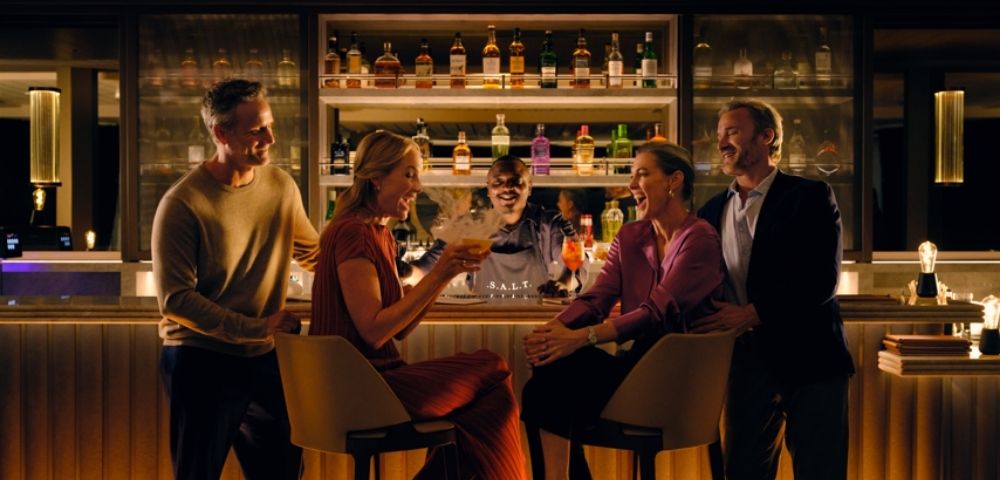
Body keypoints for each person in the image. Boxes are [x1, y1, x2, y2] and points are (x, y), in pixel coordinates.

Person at [309, 130, 526, 480]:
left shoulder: (381, 236)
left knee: (488, 407)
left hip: (373, 382)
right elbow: (375, 331)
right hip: (358, 388)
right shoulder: (352, 232)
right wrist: (439, 270)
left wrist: (444, 275)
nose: (419, 186)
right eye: (408, 174)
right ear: (377, 179)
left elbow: (402, 328)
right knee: (493, 366)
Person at [520, 142, 725, 480]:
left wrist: (580, 338)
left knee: (548, 384)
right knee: (550, 369)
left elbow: (656, 311)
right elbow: (597, 298)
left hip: (681, 383)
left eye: (642, 174)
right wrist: (551, 332)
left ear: (674, 181)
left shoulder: (700, 238)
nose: (631, 186)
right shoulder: (631, 235)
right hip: (634, 370)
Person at [152, 79, 320, 480]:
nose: (270, 138)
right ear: (221, 133)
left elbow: (314, 253)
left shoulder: (281, 187)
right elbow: (175, 300)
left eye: (269, 126)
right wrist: (257, 327)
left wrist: (376, 266)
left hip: (264, 359)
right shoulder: (182, 202)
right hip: (200, 360)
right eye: (257, 130)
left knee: (282, 473)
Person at [692, 98, 855, 480]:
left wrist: (754, 312)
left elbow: (821, 279)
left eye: (732, 131)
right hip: (747, 364)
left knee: (821, 471)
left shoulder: (810, 195)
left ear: (767, 136)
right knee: (744, 472)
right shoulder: (711, 210)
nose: (722, 143)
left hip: (813, 358)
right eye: (719, 135)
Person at [413, 155, 578, 297]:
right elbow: (425, 269)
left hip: (534, 318)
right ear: (488, 189)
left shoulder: (550, 223)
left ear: (530, 187)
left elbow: (575, 263)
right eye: (498, 182)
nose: (506, 187)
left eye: (515, 181)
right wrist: (403, 272)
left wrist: (563, 283)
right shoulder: (470, 225)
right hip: (482, 320)